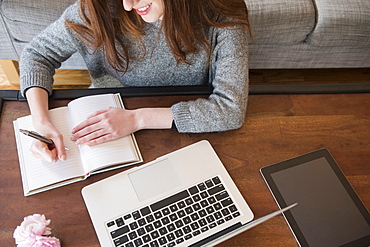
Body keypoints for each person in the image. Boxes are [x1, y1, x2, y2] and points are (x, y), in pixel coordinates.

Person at [20, 0, 252, 163]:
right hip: (104, 115)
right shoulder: (98, 8)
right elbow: (37, 55)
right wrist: (40, 123)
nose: (128, 5)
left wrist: (137, 118)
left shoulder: (223, 14)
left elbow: (230, 109)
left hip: (183, 123)